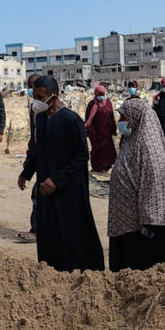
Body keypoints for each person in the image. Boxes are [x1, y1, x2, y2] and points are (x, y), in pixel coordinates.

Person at [21, 76, 104, 272]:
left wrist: (56, 180)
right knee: (49, 232)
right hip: (45, 188)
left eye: (41, 97)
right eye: (35, 96)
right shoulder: (40, 118)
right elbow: (39, 149)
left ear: (53, 96)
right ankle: (51, 271)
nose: (37, 101)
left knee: (71, 232)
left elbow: (82, 156)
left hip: (69, 189)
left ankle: (79, 272)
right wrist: (27, 171)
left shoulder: (71, 120)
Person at [109, 99, 165, 271]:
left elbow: (154, 185)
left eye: (124, 117)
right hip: (127, 221)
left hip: (143, 226)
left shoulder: (148, 146)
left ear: (136, 117)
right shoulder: (130, 139)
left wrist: (148, 223)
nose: (120, 122)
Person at [17, 73, 40, 243]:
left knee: (38, 194)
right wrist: (29, 156)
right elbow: (34, 136)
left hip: (49, 157)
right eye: (29, 85)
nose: (31, 89)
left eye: (34, 86)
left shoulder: (51, 111)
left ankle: (37, 230)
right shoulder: (34, 108)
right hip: (38, 154)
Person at [84, 85, 117, 174]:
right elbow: (88, 118)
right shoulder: (92, 104)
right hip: (95, 133)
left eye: (102, 94)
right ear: (95, 94)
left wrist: (113, 128)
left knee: (107, 150)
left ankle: (106, 167)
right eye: (99, 94)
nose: (101, 96)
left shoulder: (108, 103)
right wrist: (89, 131)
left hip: (106, 132)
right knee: (97, 150)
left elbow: (111, 116)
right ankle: (97, 168)